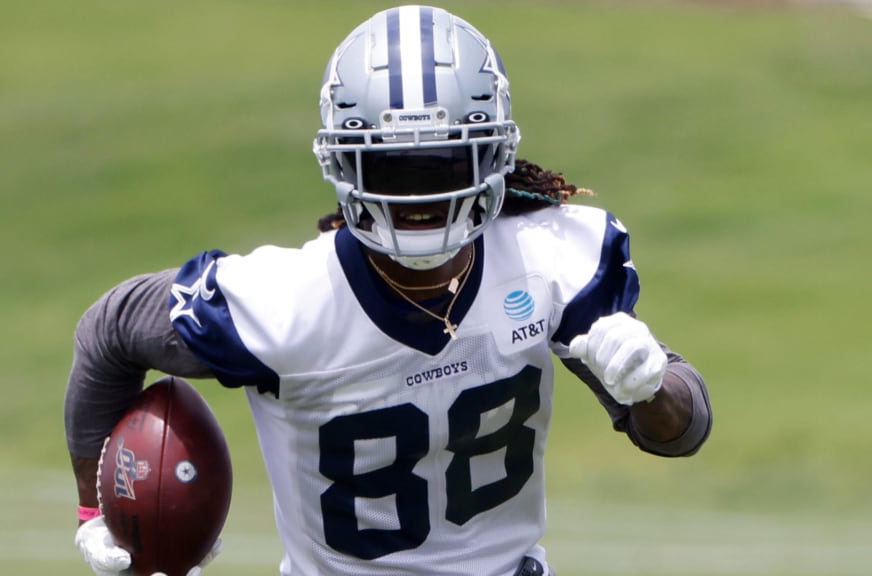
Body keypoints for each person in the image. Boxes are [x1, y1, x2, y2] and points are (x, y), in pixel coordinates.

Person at [66, 5, 713, 576]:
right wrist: (96, 507)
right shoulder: (287, 303)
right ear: (343, 163)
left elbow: (680, 430)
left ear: (494, 157)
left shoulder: (546, 260)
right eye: (392, 168)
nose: (421, 198)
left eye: (443, 164)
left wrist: (652, 386)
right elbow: (112, 331)